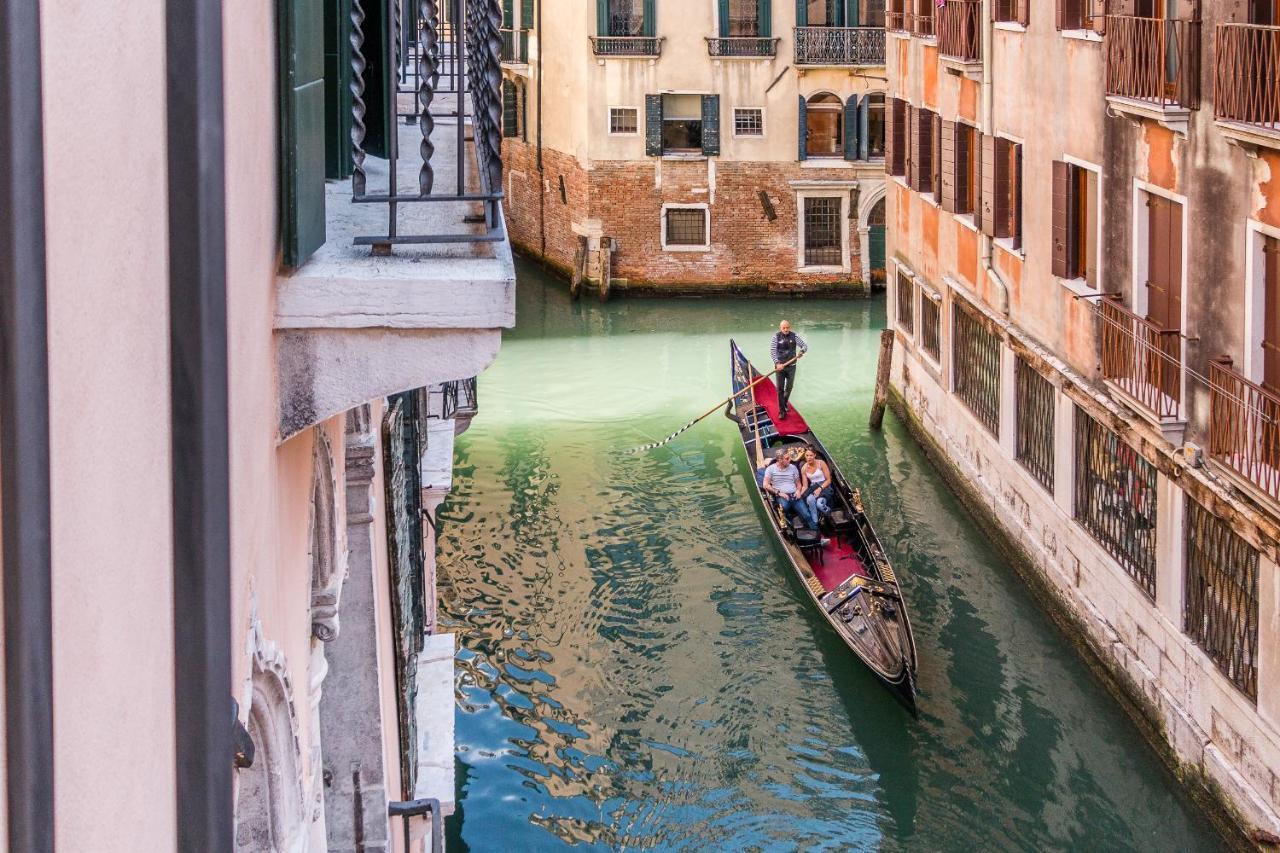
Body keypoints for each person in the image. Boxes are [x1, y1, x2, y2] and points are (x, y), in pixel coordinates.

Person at [762, 448, 817, 530]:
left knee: (807, 515)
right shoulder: (770, 469)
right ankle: (790, 527)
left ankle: (817, 533)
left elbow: (798, 484)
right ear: (780, 460)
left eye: (789, 457)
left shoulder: (793, 468)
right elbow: (765, 485)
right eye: (787, 459)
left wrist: (798, 491)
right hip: (781, 496)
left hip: (795, 495)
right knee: (784, 507)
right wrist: (779, 493)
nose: (790, 460)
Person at [770, 320, 808, 419]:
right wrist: (777, 363)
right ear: (780, 328)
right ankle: (782, 411)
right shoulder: (776, 337)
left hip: (791, 366)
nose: (786, 329)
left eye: (787, 327)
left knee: (789, 387)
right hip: (780, 368)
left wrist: (801, 351)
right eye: (784, 328)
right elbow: (772, 351)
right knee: (780, 389)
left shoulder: (794, 336)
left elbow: (805, 345)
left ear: (789, 327)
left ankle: (785, 402)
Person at [799, 447, 833, 524]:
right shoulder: (804, 468)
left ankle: (829, 513)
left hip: (825, 486)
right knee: (809, 499)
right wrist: (800, 495)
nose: (809, 457)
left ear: (815, 455)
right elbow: (805, 486)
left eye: (811, 455)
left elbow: (828, 480)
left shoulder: (821, 463)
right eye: (807, 455)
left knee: (819, 504)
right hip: (813, 488)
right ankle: (815, 522)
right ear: (805, 456)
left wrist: (820, 488)